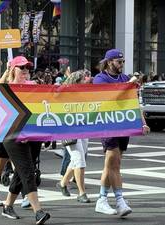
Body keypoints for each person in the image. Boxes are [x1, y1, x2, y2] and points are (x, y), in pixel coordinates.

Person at [93, 49, 150, 217]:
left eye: (123, 62)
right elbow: (109, 98)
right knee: (114, 163)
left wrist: (143, 122)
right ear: (109, 62)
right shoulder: (100, 78)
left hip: (124, 125)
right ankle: (120, 201)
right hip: (108, 125)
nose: (122, 65)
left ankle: (102, 199)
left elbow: (133, 102)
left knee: (110, 165)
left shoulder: (125, 79)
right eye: (119, 62)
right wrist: (128, 85)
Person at [0, 56, 50, 224]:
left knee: (22, 171)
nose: (26, 71)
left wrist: (46, 133)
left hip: (32, 136)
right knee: (27, 171)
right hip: (12, 135)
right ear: (13, 70)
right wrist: (6, 72)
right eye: (22, 67)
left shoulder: (33, 87)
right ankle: (38, 211)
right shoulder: (6, 87)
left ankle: (8, 205)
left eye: (27, 67)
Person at [58, 70, 91, 203]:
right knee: (80, 160)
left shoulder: (85, 94)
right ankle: (81, 192)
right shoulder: (65, 94)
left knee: (75, 160)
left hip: (83, 129)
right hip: (70, 131)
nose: (86, 81)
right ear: (77, 81)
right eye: (84, 79)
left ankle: (63, 183)